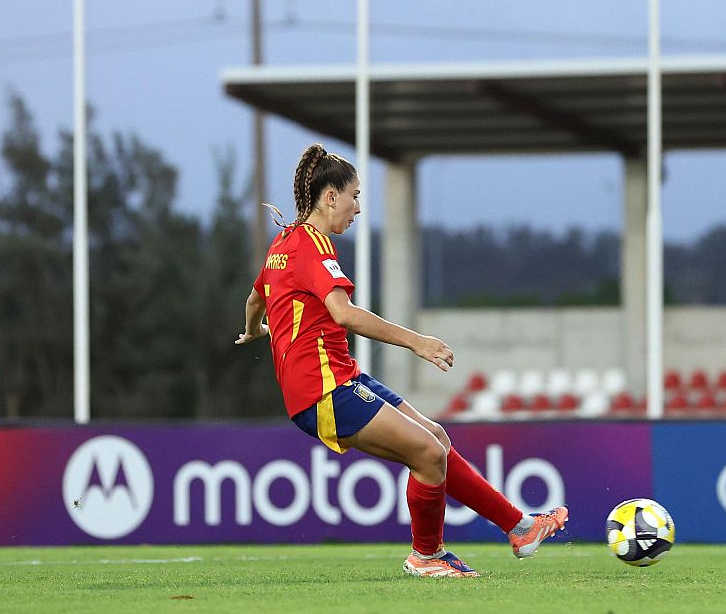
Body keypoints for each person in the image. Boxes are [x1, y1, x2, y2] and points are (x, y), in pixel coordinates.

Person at [237, 143, 568, 579]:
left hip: (338, 378)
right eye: (355, 196)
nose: (358, 208)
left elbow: (256, 297)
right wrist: (416, 342)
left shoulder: (284, 242)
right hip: (324, 390)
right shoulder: (312, 246)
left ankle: (520, 528)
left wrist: (255, 329)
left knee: (437, 439)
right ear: (330, 196)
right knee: (427, 453)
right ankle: (426, 556)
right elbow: (344, 314)